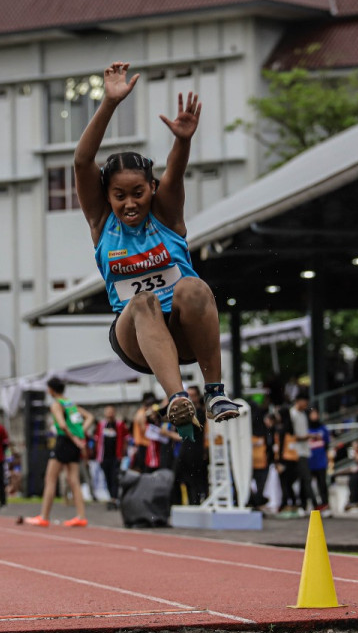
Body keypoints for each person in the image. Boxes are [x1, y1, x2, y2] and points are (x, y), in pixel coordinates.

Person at [74, 61, 240, 438]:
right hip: (136, 337)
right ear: (107, 197)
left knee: (193, 287)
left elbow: (175, 175)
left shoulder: (165, 214)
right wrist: (110, 104)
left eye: (138, 193)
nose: (130, 204)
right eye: (119, 196)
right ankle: (176, 398)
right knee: (145, 301)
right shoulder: (103, 223)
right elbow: (82, 161)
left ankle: (215, 394)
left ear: (152, 188)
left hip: (183, 334)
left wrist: (182, 141)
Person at [25, 378, 94, 527]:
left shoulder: (56, 405)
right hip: (74, 443)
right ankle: (81, 516)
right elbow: (90, 417)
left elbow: (62, 425)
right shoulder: (70, 404)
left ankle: (44, 516)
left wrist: (74, 438)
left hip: (64, 441)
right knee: (73, 480)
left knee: (50, 479)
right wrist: (81, 433)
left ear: (51, 390)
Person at [93, 405, 129, 508]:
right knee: (107, 478)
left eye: (111, 411)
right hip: (104, 457)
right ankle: (111, 497)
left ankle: (114, 499)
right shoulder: (101, 425)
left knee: (114, 478)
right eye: (107, 412)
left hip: (116, 456)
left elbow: (125, 439)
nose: (109, 414)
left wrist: (122, 454)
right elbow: (97, 440)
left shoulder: (119, 425)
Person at [307, 408, 331, 512]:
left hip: (321, 461)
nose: (314, 416)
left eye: (316, 414)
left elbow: (327, 444)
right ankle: (314, 505)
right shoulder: (306, 429)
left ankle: (325, 505)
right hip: (309, 461)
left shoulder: (323, 429)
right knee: (308, 484)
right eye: (312, 414)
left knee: (322, 484)